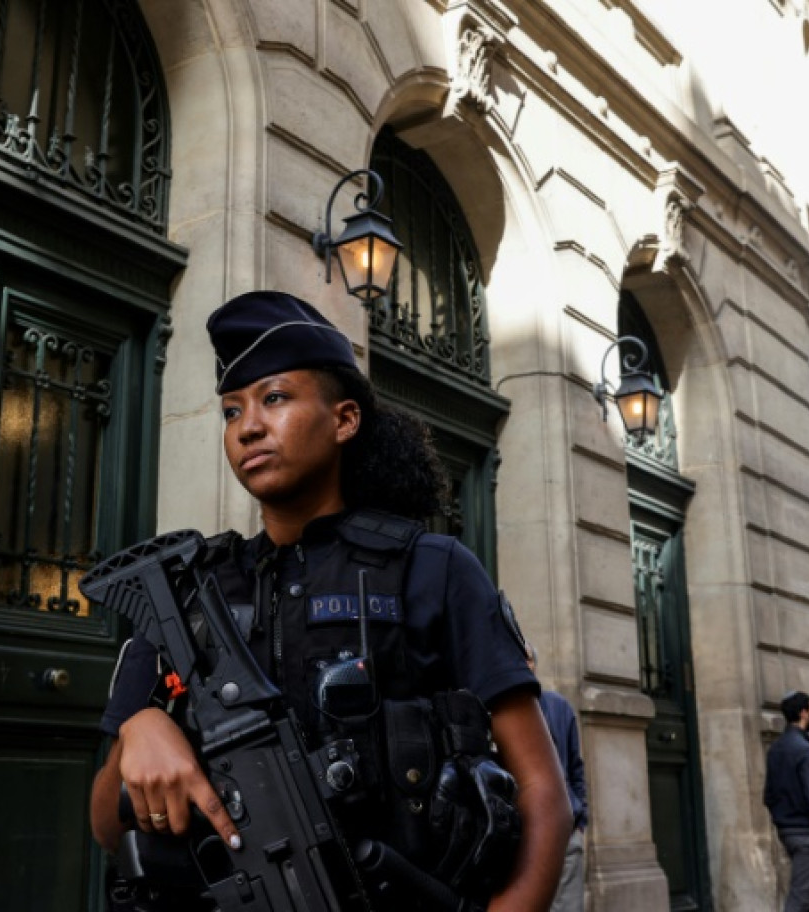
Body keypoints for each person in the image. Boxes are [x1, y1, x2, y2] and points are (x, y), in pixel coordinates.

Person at [88, 290, 571, 910]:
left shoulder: (433, 569)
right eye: (232, 412)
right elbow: (106, 825)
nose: (249, 427)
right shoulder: (185, 593)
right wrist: (138, 730)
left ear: (345, 419)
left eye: (276, 398)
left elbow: (542, 790)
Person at [525, 643, 589, 912]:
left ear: (535, 665)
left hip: (566, 834)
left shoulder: (559, 707)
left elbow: (576, 767)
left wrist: (580, 817)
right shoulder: (497, 710)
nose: (523, 664)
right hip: (523, 838)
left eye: (527, 658)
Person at [764, 690, 809, 912]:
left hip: (787, 833)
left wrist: (782, 823)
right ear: (803, 713)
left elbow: (768, 796)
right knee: (800, 900)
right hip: (807, 835)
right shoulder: (806, 750)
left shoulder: (775, 749)